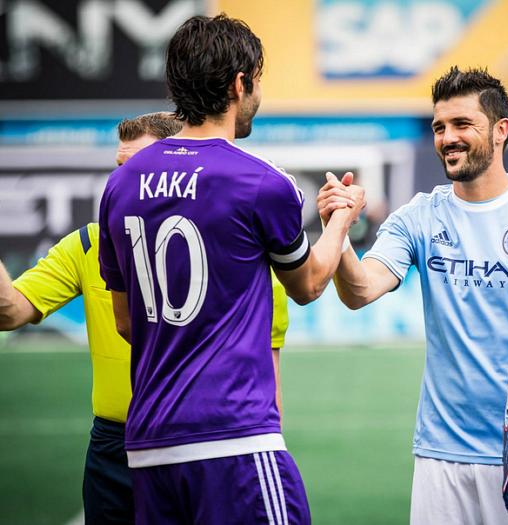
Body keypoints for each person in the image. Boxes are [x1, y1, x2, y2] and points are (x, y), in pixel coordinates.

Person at [98, 14, 363, 525]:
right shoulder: (263, 182)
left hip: (149, 446)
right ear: (240, 84)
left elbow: (128, 322)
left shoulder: (121, 185)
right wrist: (340, 220)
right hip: (234, 440)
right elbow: (308, 285)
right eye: (257, 80)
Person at [317, 66, 508, 525]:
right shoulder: (419, 216)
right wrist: (341, 230)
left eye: (463, 125)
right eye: (440, 127)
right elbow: (360, 290)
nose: (448, 138)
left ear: (501, 130)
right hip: (441, 455)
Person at [0, 111, 291, 524]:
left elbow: (270, 393)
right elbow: (10, 310)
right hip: (112, 448)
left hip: (206, 444)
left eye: (137, 167)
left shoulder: (243, 260)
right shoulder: (88, 244)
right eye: (120, 169)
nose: (124, 181)